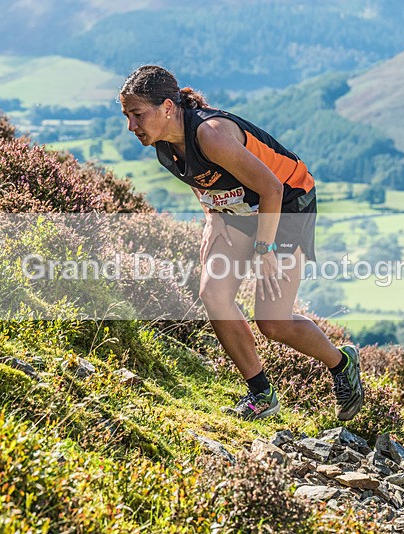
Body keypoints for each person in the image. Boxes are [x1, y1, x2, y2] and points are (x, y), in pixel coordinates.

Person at [119, 65, 363, 422]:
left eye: (137, 114)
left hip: (286, 201)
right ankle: (261, 393)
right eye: (127, 116)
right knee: (213, 294)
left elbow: (272, 188)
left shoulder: (212, 134)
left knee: (273, 322)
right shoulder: (162, 143)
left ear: (167, 107)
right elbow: (200, 178)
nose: (131, 126)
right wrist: (212, 218)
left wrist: (264, 250)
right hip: (239, 208)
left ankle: (341, 364)